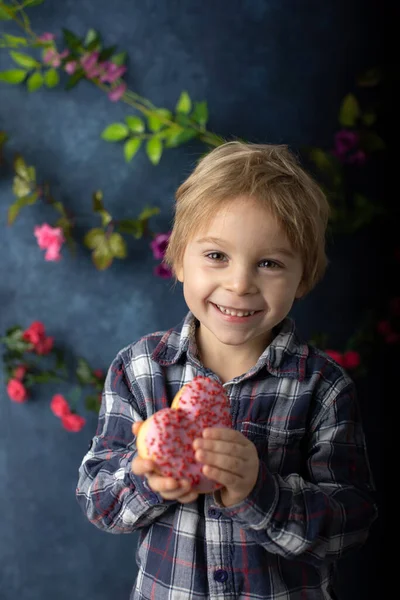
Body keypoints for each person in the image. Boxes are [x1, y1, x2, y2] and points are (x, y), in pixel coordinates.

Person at [76, 141, 377, 599]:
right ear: (178, 259)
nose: (239, 284)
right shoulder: (140, 370)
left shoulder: (322, 387)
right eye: (216, 255)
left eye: (269, 263)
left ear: (304, 277)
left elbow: (350, 525)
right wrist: (145, 475)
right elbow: (97, 501)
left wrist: (258, 490)